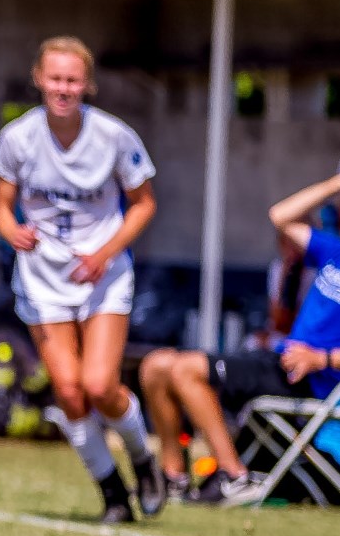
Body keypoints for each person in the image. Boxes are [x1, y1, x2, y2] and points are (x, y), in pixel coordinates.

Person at [0, 36, 157, 523]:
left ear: (88, 85)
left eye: (73, 80)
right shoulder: (18, 137)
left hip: (102, 275)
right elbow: (2, 208)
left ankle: (143, 459)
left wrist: (104, 253)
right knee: (67, 390)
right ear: (39, 80)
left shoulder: (114, 136)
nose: (63, 89)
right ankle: (113, 494)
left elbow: (144, 204)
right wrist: (13, 232)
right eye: (55, 79)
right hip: (42, 277)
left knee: (99, 385)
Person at [137, 177, 340, 507]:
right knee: (155, 366)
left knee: (187, 370)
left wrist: (322, 359)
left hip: (312, 380)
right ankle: (174, 478)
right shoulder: (333, 250)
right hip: (279, 361)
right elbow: (280, 216)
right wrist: (334, 184)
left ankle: (234, 476)